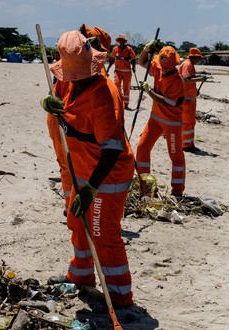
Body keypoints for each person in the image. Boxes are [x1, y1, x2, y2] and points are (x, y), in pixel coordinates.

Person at [40, 31, 136, 307]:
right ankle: (80, 277)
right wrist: (47, 103)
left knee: (102, 233)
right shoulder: (66, 82)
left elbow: (111, 151)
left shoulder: (105, 96)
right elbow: (55, 96)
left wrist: (91, 189)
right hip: (78, 168)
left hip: (106, 176)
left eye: (81, 75)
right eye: (73, 76)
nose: (76, 82)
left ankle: (119, 295)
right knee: (77, 224)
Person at [46, 25, 113, 216]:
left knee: (71, 164)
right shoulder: (77, 59)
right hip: (62, 118)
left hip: (70, 120)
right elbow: (59, 87)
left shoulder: (86, 63)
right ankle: (70, 207)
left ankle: (73, 206)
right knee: (68, 163)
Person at [134, 43, 186, 200]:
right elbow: (141, 62)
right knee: (142, 148)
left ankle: (177, 191)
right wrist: (146, 49)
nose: (160, 69)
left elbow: (167, 102)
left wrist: (149, 91)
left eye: (164, 66)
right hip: (155, 119)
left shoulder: (177, 82)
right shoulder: (157, 68)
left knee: (175, 155)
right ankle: (146, 188)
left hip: (171, 122)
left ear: (171, 66)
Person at [179, 47, 207, 153]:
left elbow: (189, 79)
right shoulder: (187, 64)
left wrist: (195, 90)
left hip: (189, 97)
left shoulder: (190, 65)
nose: (199, 61)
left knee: (190, 122)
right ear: (194, 57)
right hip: (186, 98)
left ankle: (188, 143)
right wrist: (200, 79)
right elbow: (186, 79)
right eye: (199, 58)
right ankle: (186, 144)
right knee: (187, 122)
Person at [106, 33, 137, 110]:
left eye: (122, 40)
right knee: (116, 85)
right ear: (118, 41)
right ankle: (118, 101)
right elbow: (112, 60)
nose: (121, 41)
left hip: (127, 72)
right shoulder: (115, 49)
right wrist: (108, 68)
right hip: (118, 71)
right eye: (120, 40)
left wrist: (133, 67)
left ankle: (125, 104)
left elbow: (133, 59)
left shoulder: (129, 49)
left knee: (126, 88)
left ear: (124, 41)